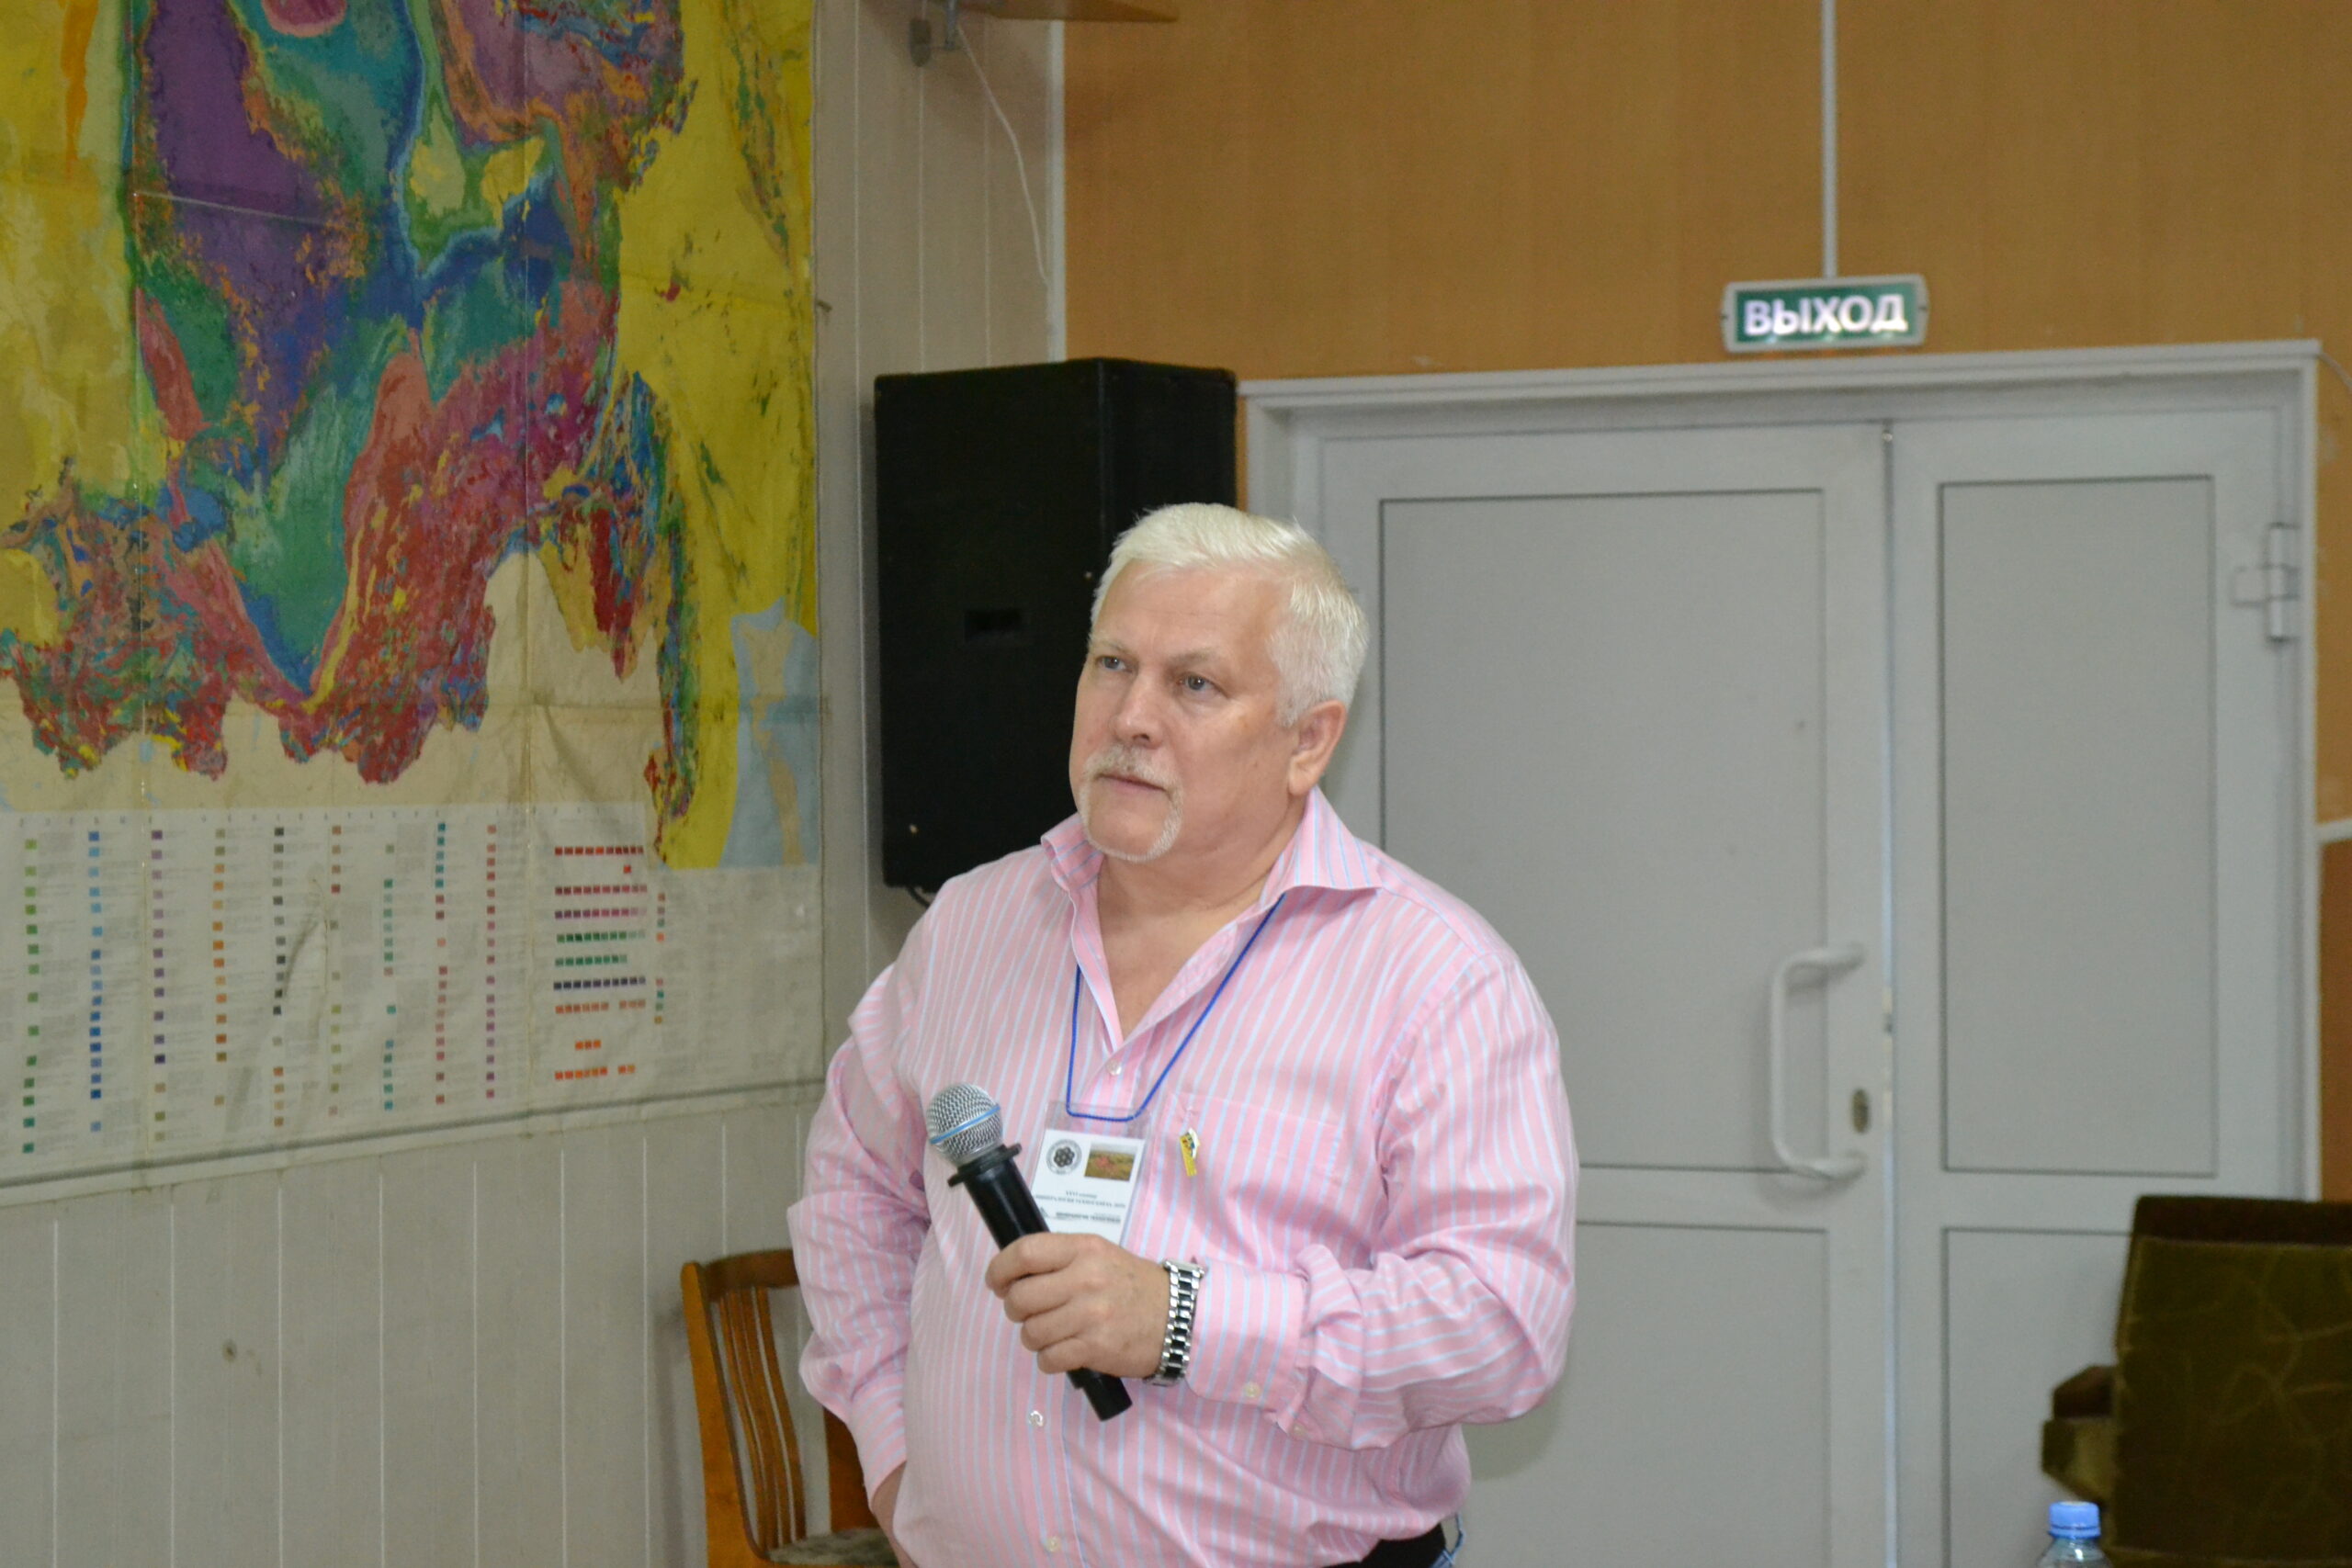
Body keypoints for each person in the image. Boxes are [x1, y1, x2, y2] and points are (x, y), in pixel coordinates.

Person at [788, 503, 1576, 1567]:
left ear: (1308, 740)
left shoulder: (1435, 979)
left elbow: (1500, 1329)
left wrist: (1183, 1320)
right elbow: (853, 1198)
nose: (1131, 717)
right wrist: (895, 1463)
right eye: (1112, 664)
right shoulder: (969, 926)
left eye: (1194, 684)